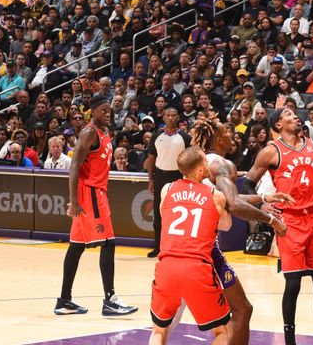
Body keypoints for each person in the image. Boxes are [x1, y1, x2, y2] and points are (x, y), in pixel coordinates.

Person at [178, 117, 290, 345]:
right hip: (204, 249)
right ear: (218, 138)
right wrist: (272, 220)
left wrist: (264, 197)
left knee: (166, 324)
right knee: (241, 310)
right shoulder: (221, 164)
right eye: (227, 131)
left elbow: (232, 199)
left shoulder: (202, 164)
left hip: (178, 247)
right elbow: (235, 205)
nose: (232, 135)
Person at [243, 108, 313, 345]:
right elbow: (247, 185)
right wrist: (263, 208)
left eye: (295, 113)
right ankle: (289, 340)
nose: (295, 116)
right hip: (290, 222)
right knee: (293, 283)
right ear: (277, 125)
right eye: (288, 114)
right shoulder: (270, 153)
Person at [55, 95, 137, 316]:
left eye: (109, 110)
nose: (108, 113)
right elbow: (74, 166)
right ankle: (110, 299)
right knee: (108, 242)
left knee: (77, 246)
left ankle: (64, 300)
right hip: (90, 192)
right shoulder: (89, 132)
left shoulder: (106, 132)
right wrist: (73, 200)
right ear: (93, 112)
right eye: (103, 110)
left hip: (94, 191)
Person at [148, 146, 232, 345]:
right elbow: (226, 225)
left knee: (158, 330)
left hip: (167, 266)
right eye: (205, 161)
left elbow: (165, 215)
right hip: (197, 268)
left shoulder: (166, 190)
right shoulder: (216, 195)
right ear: (201, 170)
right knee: (222, 332)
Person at [145, 108, 192, 258]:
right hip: (160, 176)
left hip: (178, 177)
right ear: (163, 117)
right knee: (158, 212)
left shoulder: (185, 137)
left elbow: (189, 160)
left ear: (178, 117)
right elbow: (151, 159)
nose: (171, 118)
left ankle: (178, 247)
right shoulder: (156, 136)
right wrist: (150, 180)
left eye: (173, 115)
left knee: (179, 212)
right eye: (168, 115)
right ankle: (158, 247)